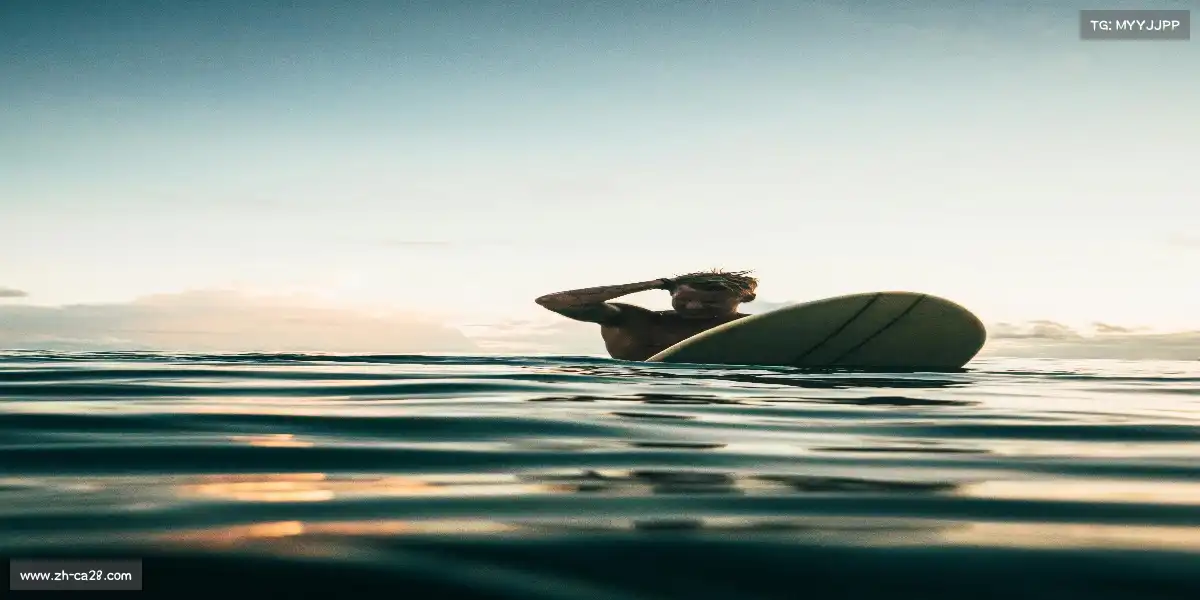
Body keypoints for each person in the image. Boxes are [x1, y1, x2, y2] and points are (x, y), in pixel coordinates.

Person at [534, 269, 758, 361]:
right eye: (684, 300)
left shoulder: (756, 328)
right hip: (634, 394)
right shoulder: (635, 321)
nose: (694, 307)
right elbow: (551, 301)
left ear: (746, 298)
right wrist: (653, 284)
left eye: (710, 302)